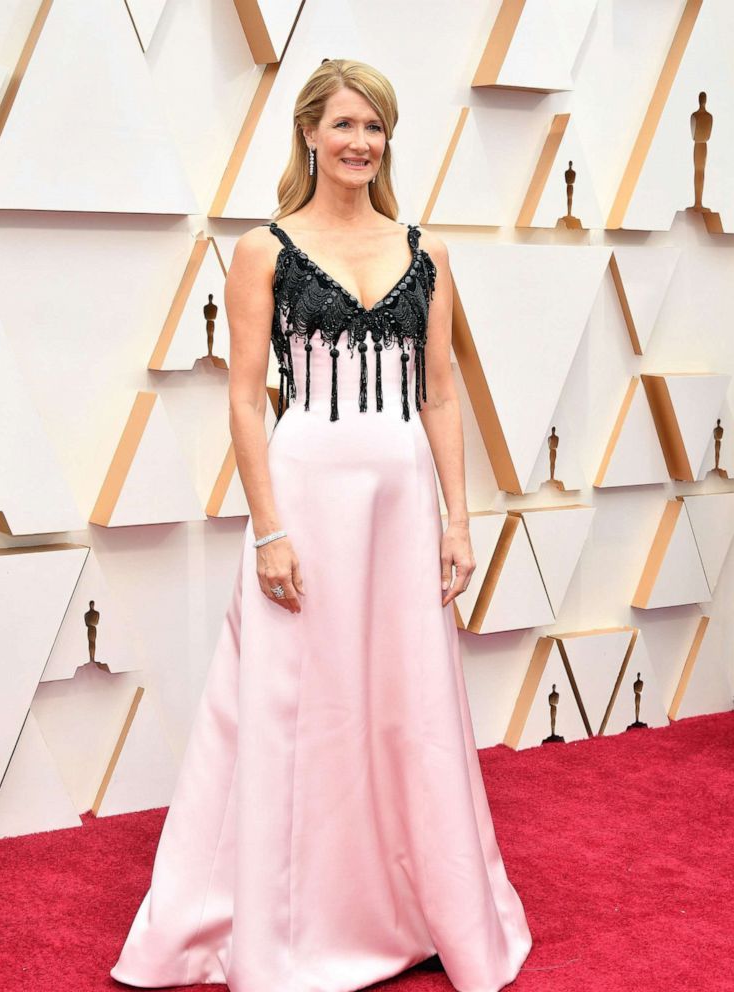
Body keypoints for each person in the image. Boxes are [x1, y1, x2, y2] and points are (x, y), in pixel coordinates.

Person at [110, 58, 532, 992]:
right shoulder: (263, 247)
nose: (359, 143)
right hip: (305, 498)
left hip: (401, 503)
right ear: (308, 133)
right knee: (296, 703)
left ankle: (409, 902)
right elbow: (248, 402)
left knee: (404, 704)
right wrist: (268, 529)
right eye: (343, 125)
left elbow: (443, 394)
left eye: (375, 127)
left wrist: (458, 519)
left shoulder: (428, 252)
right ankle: (293, 916)